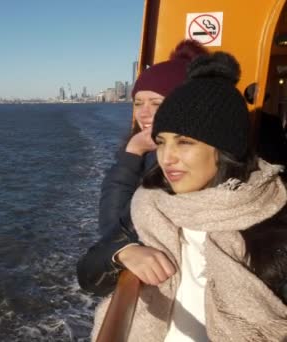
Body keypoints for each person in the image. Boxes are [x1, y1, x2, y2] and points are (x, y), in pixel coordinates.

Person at [91, 52, 287, 341]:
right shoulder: (154, 203)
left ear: (225, 148)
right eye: (161, 142)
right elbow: (93, 263)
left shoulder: (271, 224)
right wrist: (122, 252)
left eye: (184, 142)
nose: (167, 158)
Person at [78, 40, 208, 295]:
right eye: (138, 103)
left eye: (156, 103)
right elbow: (114, 233)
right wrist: (133, 153)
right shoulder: (147, 151)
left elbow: (112, 229)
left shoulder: (183, 167)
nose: (144, 113)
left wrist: (131, 155)